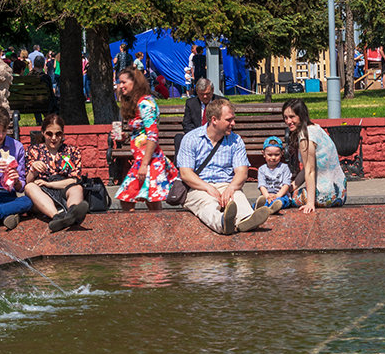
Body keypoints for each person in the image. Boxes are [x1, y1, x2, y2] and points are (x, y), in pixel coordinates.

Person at [176, 97, 271, 234]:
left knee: (237, 197)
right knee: (207, 204)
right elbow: (186, 174)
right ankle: (223, 224)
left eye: (233, 119)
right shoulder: (191, 139)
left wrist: (231, 188)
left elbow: (242, 172)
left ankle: (246, 220)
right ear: (214, 120)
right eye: (229, 120)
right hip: (198, 186)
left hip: (226, 184)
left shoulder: (235, 140)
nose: (233, 123)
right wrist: (208, 188)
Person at [114, 67, 178, 208]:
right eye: (120, 82)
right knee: (149, 199)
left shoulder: (145, 103)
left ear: (135, 83)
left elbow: (152, 134)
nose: (121, 86)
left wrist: (144, 165)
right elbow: (141, 132)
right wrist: (125, 137)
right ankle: (151, 228)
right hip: (142, 159)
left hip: (148, 160)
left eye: (124, 82)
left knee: (128, 197)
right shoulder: (138, 103)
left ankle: (151, 228)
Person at [25, 114, 90, 232]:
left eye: (58, 134)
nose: (54, 138)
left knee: (77, 188)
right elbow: (28, 182)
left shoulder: (72, 151)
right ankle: (58, 217)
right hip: (42, 194)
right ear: (43, 133)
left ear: (63, 134)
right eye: (49, 134)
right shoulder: (33, 151)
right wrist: (33, 170)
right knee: (30, 187)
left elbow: (75, 179)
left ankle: (73, 213)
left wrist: (49, 184)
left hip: (63, 187)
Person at [281, 98, 347, 212]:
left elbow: (310, 171)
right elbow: (307, 169)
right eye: (285, 117)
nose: (288, 121)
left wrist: (310, 203)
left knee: (286, 198)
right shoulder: (316, 128)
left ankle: (271, 203)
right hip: (340, 193)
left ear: (301, 116)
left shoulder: (306, 137)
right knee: (286, 191)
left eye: (292, 117)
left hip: (326, 195)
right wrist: (290, 187)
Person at [175, 78, 214, 159]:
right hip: (196, 136)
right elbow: (186, 124)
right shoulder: (191, 103)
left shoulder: (221, 102)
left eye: (208, 93)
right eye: (201, 94)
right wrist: (197, 136)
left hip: (215, 137)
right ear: (197, 92)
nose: (205, 96)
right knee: (178, 138)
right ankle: (179, 168)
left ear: (212, 91)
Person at [256, 136, 294, 213]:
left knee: (280, 201)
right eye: (269, 155)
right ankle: (261, 207)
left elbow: (286, 184)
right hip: (267, 195)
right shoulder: (262, 169)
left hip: (281, 195)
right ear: (263, 154)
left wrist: (277, 196)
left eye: (276, 155)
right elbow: (262, 185)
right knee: (263, 200)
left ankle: (270, 208)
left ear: (282, 153)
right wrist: (267, 196)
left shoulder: (284, 168)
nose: (273, 157)